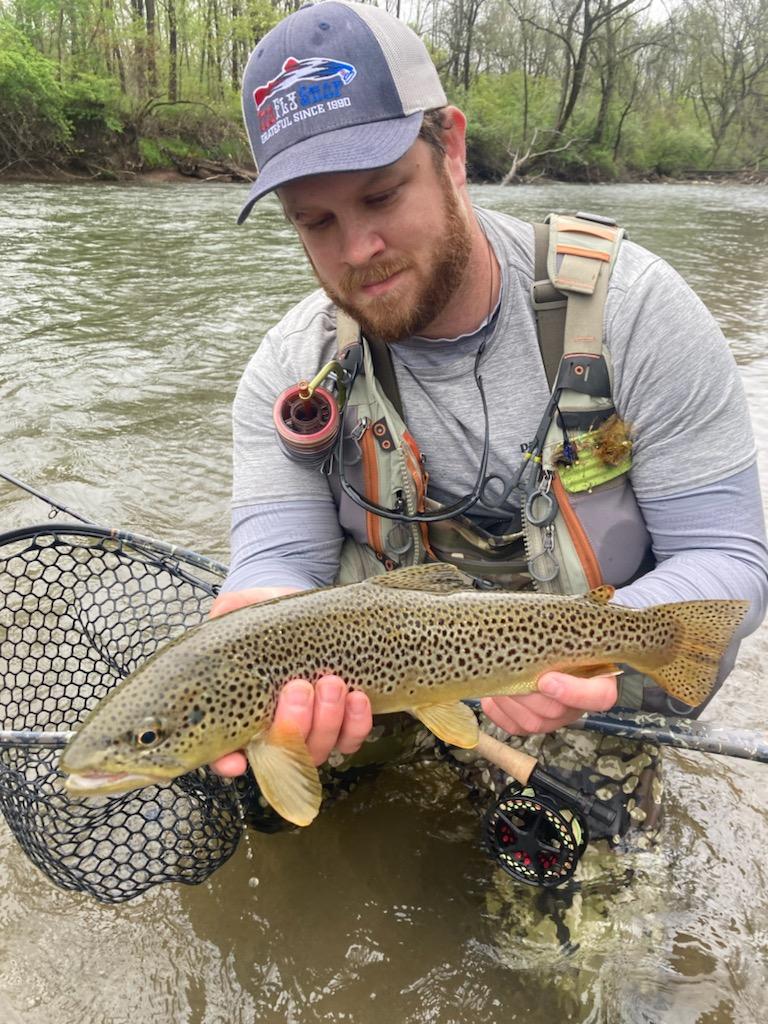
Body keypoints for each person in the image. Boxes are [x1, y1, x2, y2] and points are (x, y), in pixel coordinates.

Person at [208, 0, 768, 838]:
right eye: (315, 222)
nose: (358, 248)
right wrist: (253, 624)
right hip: (376, 685)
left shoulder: (638, 312)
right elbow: (277, 563)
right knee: (240, 788)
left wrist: (604, 656)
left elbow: (728, 558)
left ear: (453, 148)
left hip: (582, 680)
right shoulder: (291, 372)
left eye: (382, 194)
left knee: (564, 931)